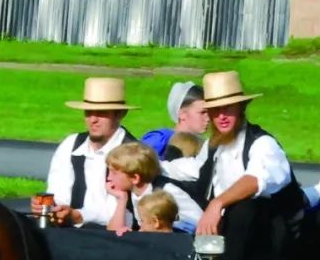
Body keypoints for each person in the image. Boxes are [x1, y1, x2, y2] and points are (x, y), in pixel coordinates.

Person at [161, 71, 306, 260]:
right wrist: (151, 165)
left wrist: (217, 203)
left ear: (241, 108)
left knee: (244, 207)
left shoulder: (263, 144)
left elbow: (255, 180)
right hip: (224, 235)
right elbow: (194, 169)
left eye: (227, 109)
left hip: (269, 241)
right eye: (215, 110)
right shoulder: (214, 146)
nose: (221, 116)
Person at [32, 77, 139, 227]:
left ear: (120, 114)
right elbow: (57, 193)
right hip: (69, 233)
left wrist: (78, 216)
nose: (92, 119)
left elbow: (127, 216)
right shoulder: (71, 145)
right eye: (88, 112)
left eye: (101, 113)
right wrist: (50, 208)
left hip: (115, 240)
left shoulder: (135, 154)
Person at [104, 142, 203, 234]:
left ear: (135, 178)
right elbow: (113, 234)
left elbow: (199, 221)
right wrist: (122, 200)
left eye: (114, 173)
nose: (108, 178)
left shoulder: (166, 192)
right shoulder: (128, 194)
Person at [140, 81, 210, 160]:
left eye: (209, 112)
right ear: (182, 114)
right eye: (203, 112)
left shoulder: (205, 145)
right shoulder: (160, 140)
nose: (208, 118)